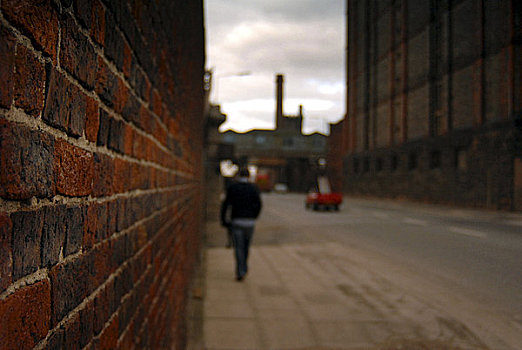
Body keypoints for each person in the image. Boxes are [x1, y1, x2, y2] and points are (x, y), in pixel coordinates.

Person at [220, 168, 262, 281]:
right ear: (248, 176)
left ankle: (240, 271)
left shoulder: (233, 188)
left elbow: (225, 205)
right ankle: (244, 267)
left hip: (237, 221)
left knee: (238, 247)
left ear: (238, 175)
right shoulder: (254, 188)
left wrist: (223, 220)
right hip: (249, 222)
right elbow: (258, 204)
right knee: (246, 247)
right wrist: (254, 216)